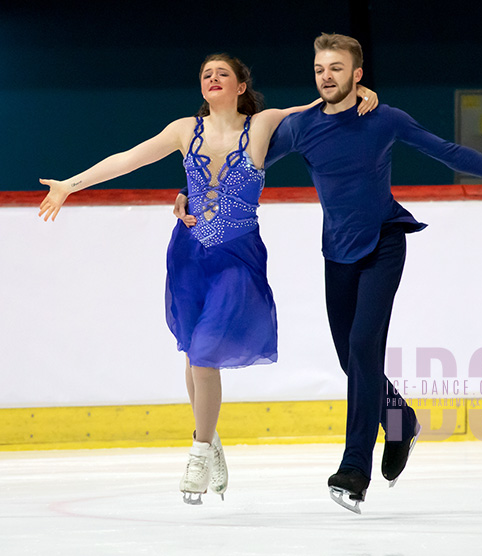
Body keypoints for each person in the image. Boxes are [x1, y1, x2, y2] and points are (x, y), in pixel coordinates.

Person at [174, 34, 482, 514]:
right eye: (321, 69)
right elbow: (233, 165)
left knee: (363, 349)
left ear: (357, 75)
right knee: (350, 359)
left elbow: (447, 152)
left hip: (384, 242)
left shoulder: (384, 119)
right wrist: (191, 196)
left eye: (337, 68)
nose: (327, 76)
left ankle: (353, 470)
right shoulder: (301, 129)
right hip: (337, 253)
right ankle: (401, 421)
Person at [38, 52, 377, 505]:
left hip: (237, 255)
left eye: (223, 74)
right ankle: (210, 438)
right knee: (195, 352)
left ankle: (199, 451)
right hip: (188, 254)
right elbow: (128, 160)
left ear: (240, 86)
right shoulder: (184, 130)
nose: (213, 78)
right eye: (206, 74)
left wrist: (363, 93)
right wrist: (70, 184)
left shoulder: (263, 124)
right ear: (202, 88)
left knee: (204, 349)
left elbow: (322, 108)